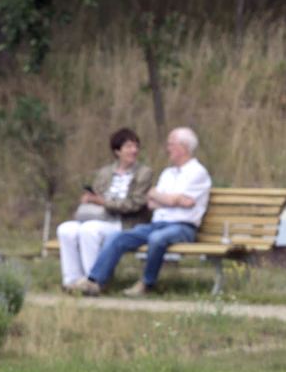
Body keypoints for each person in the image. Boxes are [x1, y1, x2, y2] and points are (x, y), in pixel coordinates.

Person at [82, 126, 211, 297]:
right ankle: (94, 281)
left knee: (156, 239)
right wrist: (174, 200)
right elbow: (151, 202)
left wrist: (164, 198)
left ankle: (146, 284)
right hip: (157, 224)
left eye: (171, 144)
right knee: (116, 238)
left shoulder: (198, 173)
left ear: (184, 147)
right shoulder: (168, 173)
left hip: (183, 227)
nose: (167, 149)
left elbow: (167, 199)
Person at [57, 128, 152, 292]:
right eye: (129, 147)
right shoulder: (105, 172)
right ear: (117, 151)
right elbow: (97, 195)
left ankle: (93, 281)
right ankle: (71, 280)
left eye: (136, 146)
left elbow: (136, 203)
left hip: (124, 222)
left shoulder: (144, 173)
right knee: (66, 229)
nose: (134, 151)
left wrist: (104, 203)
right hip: (101, 217)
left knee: (89, 230)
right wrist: (89, 199)